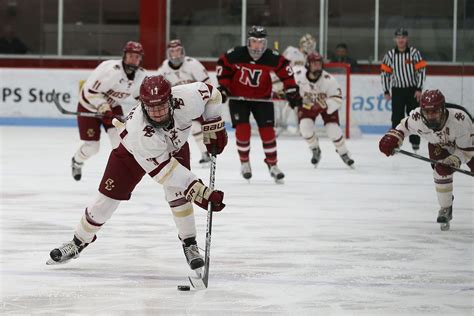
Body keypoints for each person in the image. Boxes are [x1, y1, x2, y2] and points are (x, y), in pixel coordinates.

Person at [47, 75, 228, 270]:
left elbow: (213, 95)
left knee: (178, 196)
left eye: (161, 106)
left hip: (174, 147)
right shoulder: (138, 131)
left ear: (170, 100)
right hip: (131, 153)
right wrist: (198, 189)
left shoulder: (188, 97)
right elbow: (166, 172)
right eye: (151, 108)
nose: (157, 114)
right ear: (142, 104)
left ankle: (189, 243)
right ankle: (78, 242)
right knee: (105, 202)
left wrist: (213, 123)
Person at [216, 25, 302, 183]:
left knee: (268, 132)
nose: (257, 46)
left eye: (261, 42)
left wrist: (291, 90)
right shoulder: (236, 54)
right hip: (238, 99)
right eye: (254, 41)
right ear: (248, 41)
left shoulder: (271, 57)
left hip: (262, 99)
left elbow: (286, 71)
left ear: (265, 43)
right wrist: (223, 87)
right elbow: (223, 66)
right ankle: (244, 163)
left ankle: (273, 165)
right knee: (243, 130)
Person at [379, 90, 473, 231]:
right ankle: (446, 207)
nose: (430, 116)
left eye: (435, 112)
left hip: (468, 145)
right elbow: (403, 127)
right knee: (440, 171)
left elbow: (466, 152)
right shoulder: (417, 117)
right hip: (438, 145)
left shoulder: (460, 120)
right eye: (427, 112)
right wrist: (393, 137)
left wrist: (454, 160)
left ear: (443, 109)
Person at [71, 41, 147, 181]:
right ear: (124, 55)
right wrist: (102, 106)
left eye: (137, 57)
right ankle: (76, 161)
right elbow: (89, 92)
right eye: (130, 55)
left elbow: (141, 98)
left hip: (113, 107)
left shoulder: (141, 76)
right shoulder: (110, 70)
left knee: (120, 142)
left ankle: (121, 174)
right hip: (89, 106)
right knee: (93, 147)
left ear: (140, 60)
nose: (133, 59)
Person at [157, 39, 213, 166]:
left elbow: (207, 84)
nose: (176, 54)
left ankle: (207, 152)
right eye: (173, 51)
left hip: (197, 102)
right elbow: (160, 89)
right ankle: (179, 155)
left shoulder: (192, 64)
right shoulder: (163, 69)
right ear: (168, 53)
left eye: (178, 51)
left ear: (183, 51)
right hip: (178, 106)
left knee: (200, 128)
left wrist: (206, 101)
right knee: (176, 131)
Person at [294, 52, 354, 168]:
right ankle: (315, 149)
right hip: (307, 105)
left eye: (319, 63)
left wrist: (322, 104)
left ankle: (343, 153)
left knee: (333, 130)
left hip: (326, 107)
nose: (317, 65)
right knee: (305, 128)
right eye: (314, 63)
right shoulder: (298, 76)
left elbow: (337, 99)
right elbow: (289, 88)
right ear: (308, 64)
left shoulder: (329, 79)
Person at [381, 28, 427, 152]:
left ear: (407, 39)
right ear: (395, 39)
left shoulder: (414, 53)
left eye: (403, 37)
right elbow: (385, 74)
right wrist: (386, 90)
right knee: (396, 118)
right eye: (398, 37)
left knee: (414, 116)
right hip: (397, 90)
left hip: (412, 90)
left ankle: (415, 142)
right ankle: (394, 143)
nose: (401, 40)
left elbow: (421, 71)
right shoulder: (390, 55)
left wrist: (419, 88)